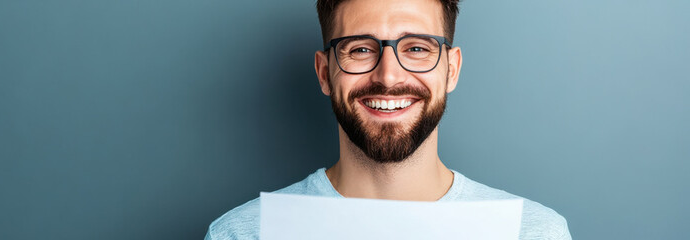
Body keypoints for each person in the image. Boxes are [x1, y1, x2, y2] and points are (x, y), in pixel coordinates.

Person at [205, 0, 571, 239]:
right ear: (323, 73)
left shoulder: (535, 233)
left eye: (416, 48)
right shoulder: (241, 235)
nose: (389, 76)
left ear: (452, 69)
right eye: (361, 49)